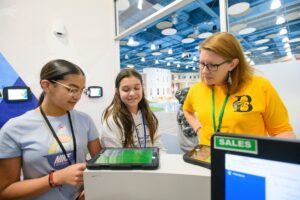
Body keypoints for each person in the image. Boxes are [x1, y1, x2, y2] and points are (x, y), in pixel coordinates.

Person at [0, 59, 101, 200]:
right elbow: (5, 192)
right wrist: (56, 178)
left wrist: (90, 189)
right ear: (46, 85)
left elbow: (100, 166)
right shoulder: (15, 128)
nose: (77, 96)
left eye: (81, 90)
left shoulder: (85, 120)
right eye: (72, 89)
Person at [183, 32, 296, 146]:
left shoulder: (260, 87)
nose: (204, 71)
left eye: (213, 66)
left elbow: (282, 131)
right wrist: (198, 129)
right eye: (202, 63)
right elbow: (187, 110)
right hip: (209, 159)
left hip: (248, 160)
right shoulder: (196, 90)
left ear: (232, 64)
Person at [101, 68, 165, 151]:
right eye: (126, 89)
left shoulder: (149, 116)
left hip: (150, 163)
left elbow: (158, 145)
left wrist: (161, 159)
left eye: (137, 88)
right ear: (117, 92)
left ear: (142, 88)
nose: (132, 93)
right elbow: (114, 156)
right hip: (125, 164)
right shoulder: (112, 120)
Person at [175, 87, 198, 152]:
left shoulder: (182, 108)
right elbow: (188, 132)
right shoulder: (186, 112)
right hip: (191, 146)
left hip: (186, 145)